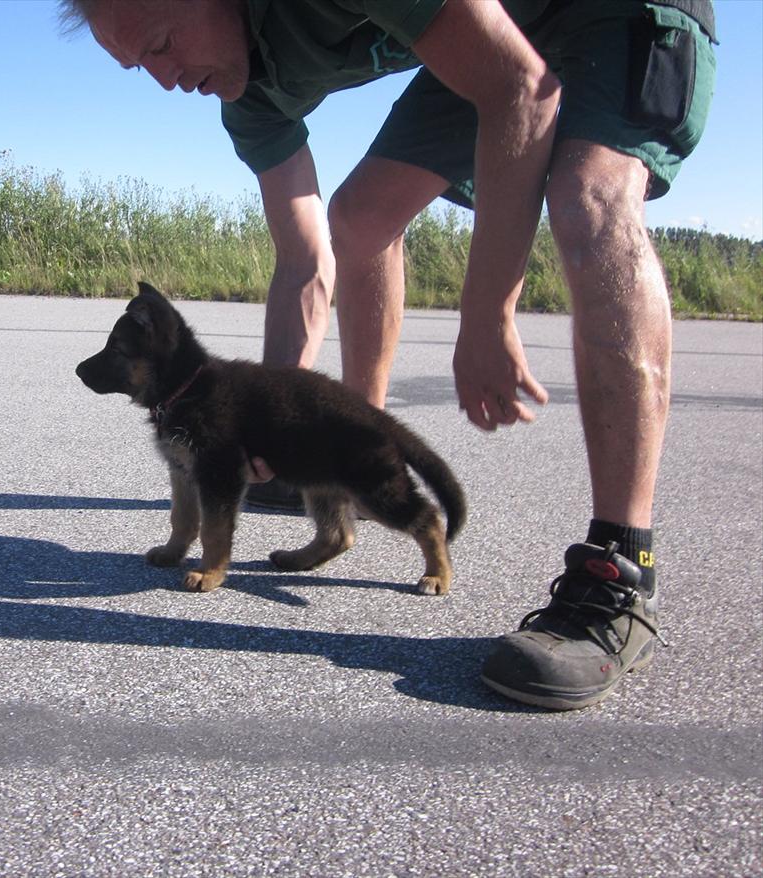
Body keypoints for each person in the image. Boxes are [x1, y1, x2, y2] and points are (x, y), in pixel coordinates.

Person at [59, 0, 716, 710]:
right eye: (138, 66)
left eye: (159, 44)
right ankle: (356, 461)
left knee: (588, 192)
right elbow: (304, 259)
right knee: (359, 218)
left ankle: (619, 568)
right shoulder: (244, 95)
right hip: (499, 28)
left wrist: (489, 312)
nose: (163, 80)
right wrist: (265, 431)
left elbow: (517, 88)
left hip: (606, 11)